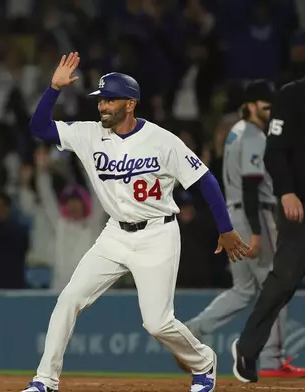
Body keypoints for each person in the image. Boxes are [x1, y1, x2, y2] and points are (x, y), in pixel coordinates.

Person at [20, 53, 251, 392]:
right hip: (114, 234)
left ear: (130, 104)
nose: (102, 107)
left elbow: (205, 180)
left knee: (157, 323)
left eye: (110, 100)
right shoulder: (89, 134)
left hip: (157, 233)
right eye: (100, 101)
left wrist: (226, 228)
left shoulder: (162, 140)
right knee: (69, 299)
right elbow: (39, 128)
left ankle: (203, 362)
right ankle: (45, 381)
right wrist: (53, 89)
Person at [184, 80, 305, 378]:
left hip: (233, 213)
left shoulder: (235, 132)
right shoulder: (253, 135)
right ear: (251, 105)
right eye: (266, 104)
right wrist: (255, 232)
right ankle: (272, 359)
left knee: (244, 289)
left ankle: (194, 329)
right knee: (275, 285)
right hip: (254, 215)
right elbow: (252, 186)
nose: (271, 109)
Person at [232, 76, 305, 383]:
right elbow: (274, 151)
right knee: (285, 279)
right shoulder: (293, 95)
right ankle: (248, 349)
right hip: (298, 205)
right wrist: (286, 192)